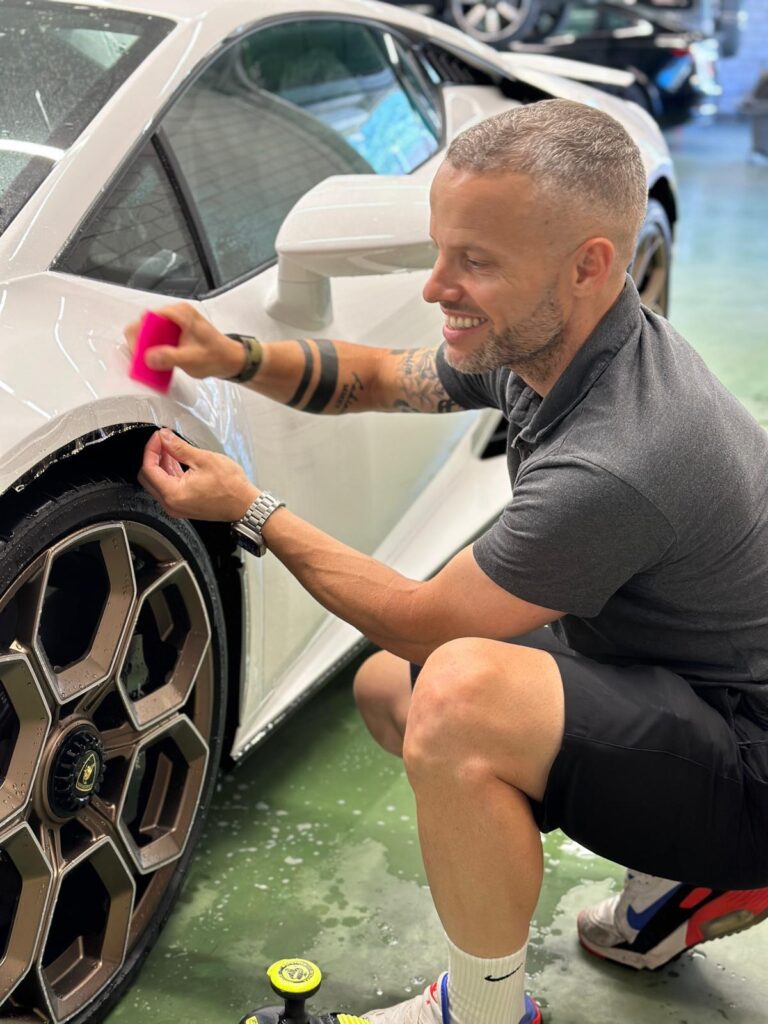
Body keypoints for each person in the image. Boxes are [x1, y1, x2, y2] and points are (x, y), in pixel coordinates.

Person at [127, 99, 768, 1024]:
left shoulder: (623, 455)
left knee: (456, 695)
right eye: (440, 251)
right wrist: (234, 355)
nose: (437, 287)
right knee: (392, 689)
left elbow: (420, 621)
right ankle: (680, 881)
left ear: (588, 265)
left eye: (475, 261)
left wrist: (249, 508)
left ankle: (485, 1012)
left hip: (752, 756)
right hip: (693, 679)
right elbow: (385, 377)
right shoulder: (557, 342)